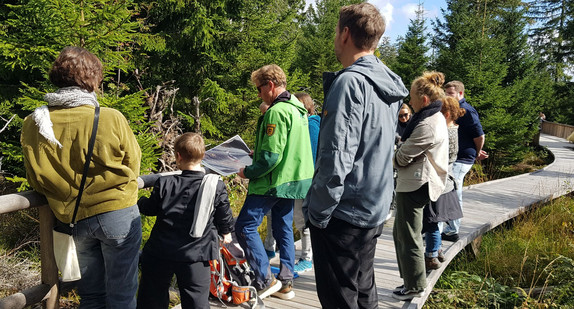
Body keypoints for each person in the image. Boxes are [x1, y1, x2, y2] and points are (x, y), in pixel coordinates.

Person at [302, 3, 409, 308]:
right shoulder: (388, 83)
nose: (335, 37)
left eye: (336, 31)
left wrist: (318, 213)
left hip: (343, 214)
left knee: (340, 299)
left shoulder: (350, 82)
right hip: (373, 207)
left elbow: (337, 156)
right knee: (363, 293)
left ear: (346, 33)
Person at [21, 46, 142, 308]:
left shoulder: (34, 122)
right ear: (92, 78)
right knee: (122, 294)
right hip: (117, 213)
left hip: (71, 219)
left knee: (91, 295)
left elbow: (35, 178)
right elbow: (133, 163)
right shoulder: (110, 118)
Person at [235, 64, 314, 300]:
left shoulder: (276, 111)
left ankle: (265, 279)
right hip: (294, 180)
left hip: (274, 180)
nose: (258, 94)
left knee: (245, 226)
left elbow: (271, 157)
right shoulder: (298, 108)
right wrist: (256, 153)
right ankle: (286, 283)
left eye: (259, 89)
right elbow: (286, 147)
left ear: (270, 85)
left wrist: (247, 171)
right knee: (283, 228)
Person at [137, 133, 234, 309]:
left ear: (178, 156)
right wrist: (226, 232)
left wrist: (139, 202)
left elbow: (149, 209)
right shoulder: (215, 185)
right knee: (196, 300)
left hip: (160, 251)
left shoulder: (165, 183)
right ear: (203, 156)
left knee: (151, 298)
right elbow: (224, 215)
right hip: (196, 254)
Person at [392, 71, 449, 301]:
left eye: (412, 96)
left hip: (417, 183)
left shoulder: (428, 124)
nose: (410, 100)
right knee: (401, 233)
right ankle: (410, 282)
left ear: (423, 99)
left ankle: (415, 285)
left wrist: (395, 153)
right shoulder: (431, 117)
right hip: (415, 181)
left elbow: (401, 158)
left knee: (409, 235)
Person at [422, 96, 466, 271]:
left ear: (446, 114)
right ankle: (437, 249)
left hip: (437, 181)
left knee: (431, 220)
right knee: (435, 219)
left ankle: (431, 254)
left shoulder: (446, 132)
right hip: (446, 181)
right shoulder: (454, 129)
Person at [442, 81, 488, 242]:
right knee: (449, 190)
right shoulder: (451, 110)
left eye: (450, 93)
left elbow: (480, 135)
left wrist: (476, 152)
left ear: (460, 94)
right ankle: (446, 227)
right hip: (452, 156)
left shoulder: (467, 111)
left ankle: (453, 229)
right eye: (446, 93)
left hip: (462, 157)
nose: (447, 96)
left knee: (454, 190)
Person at [292, 92, 320, 274]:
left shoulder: (311, 126)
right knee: (300, 219)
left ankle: (306, 258)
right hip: (301, 179)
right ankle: (307, 255)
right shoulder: (305, 125)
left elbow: (309, 154)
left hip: (306, 180)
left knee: (303, 220)